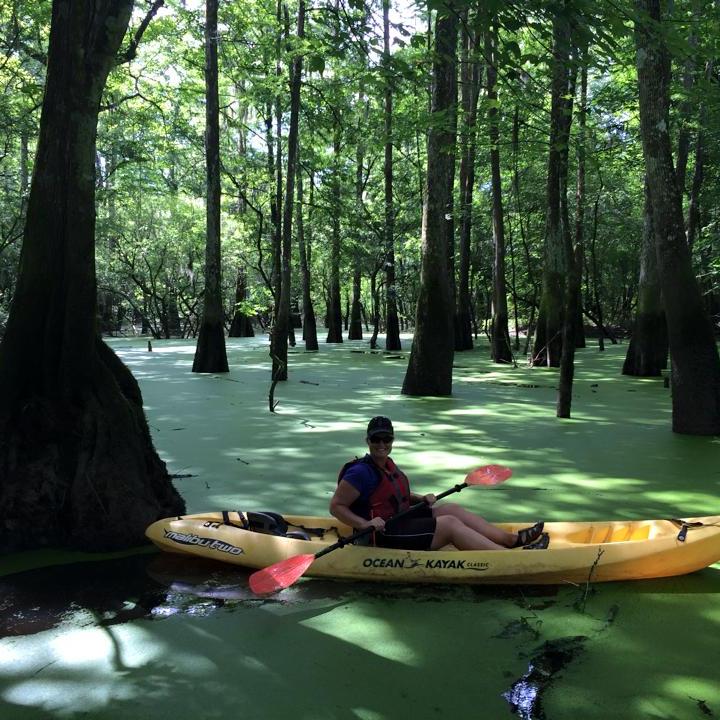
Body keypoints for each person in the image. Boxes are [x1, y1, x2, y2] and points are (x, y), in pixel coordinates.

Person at [329, 416, 544, 551]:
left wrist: (420, 499)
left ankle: (511, 540)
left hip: (399, 520)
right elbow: (336, 506)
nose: (382, 444)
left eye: (387, 439)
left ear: (393, 440)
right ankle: (506, 558)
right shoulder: (359, 472)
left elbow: (392, 496)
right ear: (368, 441)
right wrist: (364, 524)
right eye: (376, 439)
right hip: (381, 534)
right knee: (449, 523)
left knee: (450, 509)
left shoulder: (386, 464)